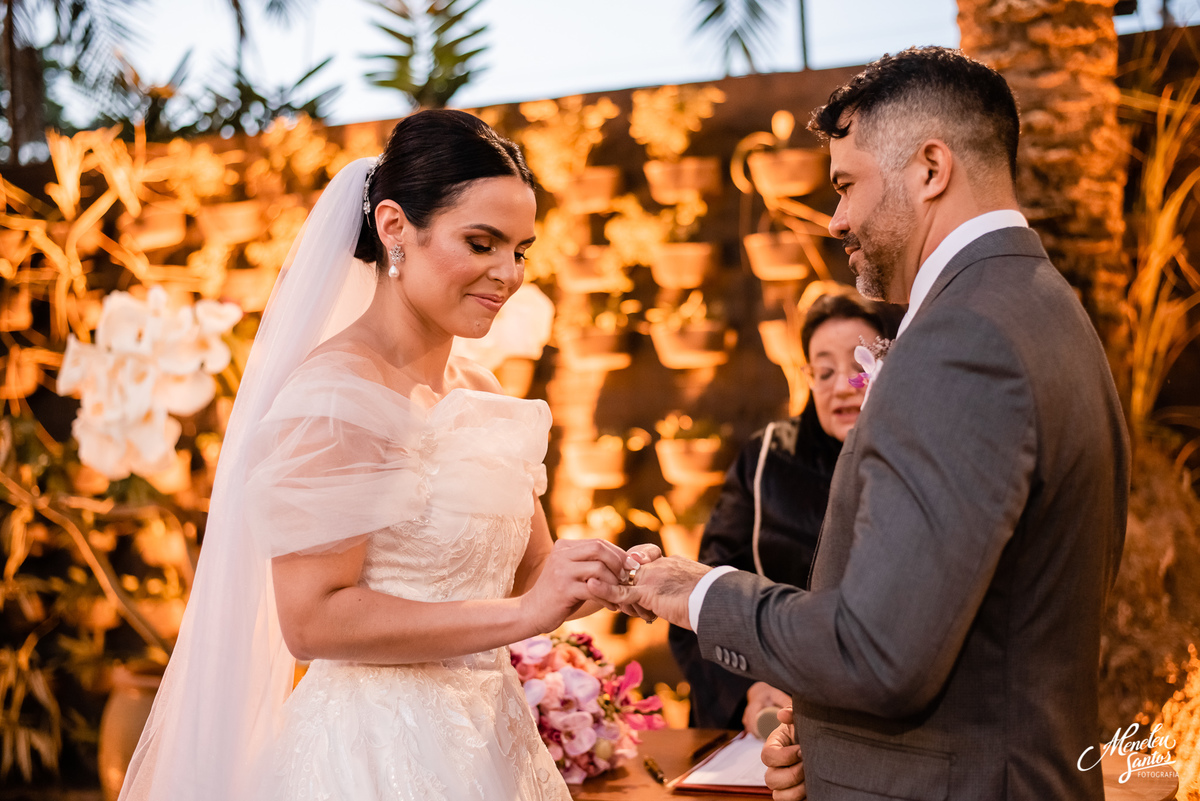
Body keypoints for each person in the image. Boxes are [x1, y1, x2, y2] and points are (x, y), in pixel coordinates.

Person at [592, 46, 1129, 800]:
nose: (836, 218)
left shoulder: (963, 339)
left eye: (847, 186)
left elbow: (880, 652)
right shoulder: (1041, 305)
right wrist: (824, 740)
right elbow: (965, 631)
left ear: (930, 169)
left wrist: (700, 592)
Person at [119, 110, 651, 801]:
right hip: (367, 755)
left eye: (520, 249)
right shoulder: (334, 395)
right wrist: (522, 618)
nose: (507, 274)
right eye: (482, 242)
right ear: (396, 227)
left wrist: (613, 573)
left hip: (492, 740)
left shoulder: (483, 393)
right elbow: (312, 620)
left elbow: (531, 573)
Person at [668, 293, 895, 733]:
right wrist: (746, 691)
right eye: (824, 371)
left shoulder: (919, 461)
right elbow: (697, 593)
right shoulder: (767, 460)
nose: (839, 385)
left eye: (858, 366)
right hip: (778, 719)